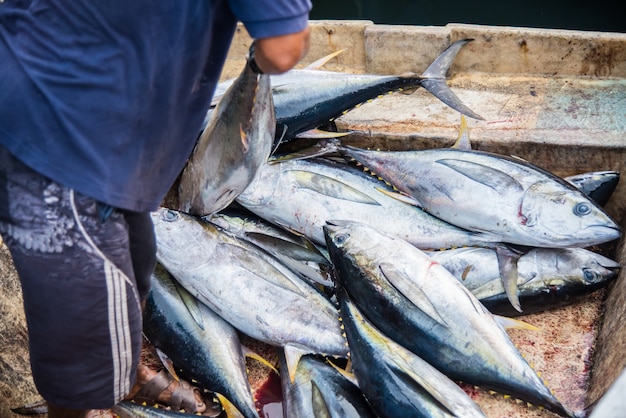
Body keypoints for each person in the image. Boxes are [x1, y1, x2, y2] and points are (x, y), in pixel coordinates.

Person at [0, 1, 311, 417]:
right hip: (59, 137)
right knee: (81, 323)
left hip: (73, 104)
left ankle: (123, 375)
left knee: (135, 257)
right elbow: (281, 49)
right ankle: (84, 404)